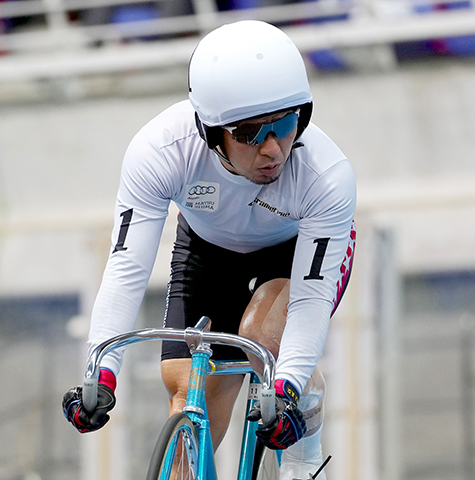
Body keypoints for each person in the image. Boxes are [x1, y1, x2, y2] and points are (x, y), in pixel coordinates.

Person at [62, 20, 356, 480]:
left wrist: (289, 387)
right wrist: (100, 371)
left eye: (285, 122)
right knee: (187, 389)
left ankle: (304, 454)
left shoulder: (326, 175)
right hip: (208, 250)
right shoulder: (161, 151)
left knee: (262, 333)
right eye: (250, 133)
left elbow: (312, 297)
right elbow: (126, 268)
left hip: (293, 253)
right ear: (210, 130)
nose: (273, 149)